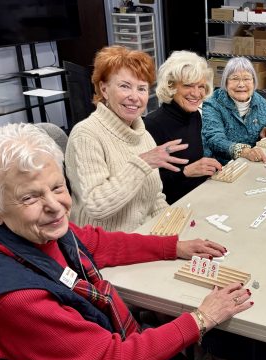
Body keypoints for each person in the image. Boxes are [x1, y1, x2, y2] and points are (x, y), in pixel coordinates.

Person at [0, 123, 253, 360]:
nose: (55, 207)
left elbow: (99, 243)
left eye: (57, 187)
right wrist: (202, 318)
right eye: (30, 198)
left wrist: (174, 246)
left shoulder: (34, 233)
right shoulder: (13, 299)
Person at [65, 45, 188, 232]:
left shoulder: (143, 135)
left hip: (143, 234)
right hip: (103, 241)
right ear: (104, 89)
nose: (135, 97)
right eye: (125, 86)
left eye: (142, 89)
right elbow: (97, 206)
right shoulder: (86, 135)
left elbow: (155, 198)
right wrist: (142, 163)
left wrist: (172, 226)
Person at [145, 51, 222, 204]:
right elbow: (147, 185)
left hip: (198, 197)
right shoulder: (152, 124)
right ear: (171, 86)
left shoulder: (195, 115)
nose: (196, 93)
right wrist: (186, 172)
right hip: (171, 208)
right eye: (188, 85)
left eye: (201, 86)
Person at [201, 57, 266, 165]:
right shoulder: (212, 104)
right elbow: (215, 139)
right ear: (226, 82)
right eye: (235, 79)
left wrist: (262, 135)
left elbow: (258, 141)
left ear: (254, 82)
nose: (241, 84)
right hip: (220, 166)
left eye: (246, 79)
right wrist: (244, 151)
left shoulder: (262, 105)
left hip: (250, 163)